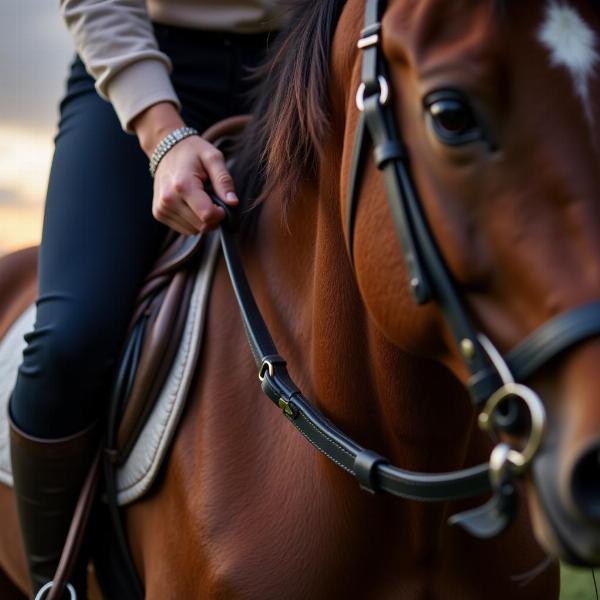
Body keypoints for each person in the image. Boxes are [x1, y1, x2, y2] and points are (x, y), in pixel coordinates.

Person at [9, 1, 286, 597]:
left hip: (310, 62)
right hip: (146, 69)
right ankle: (55, 584)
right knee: (69, 341)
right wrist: (163, 135)